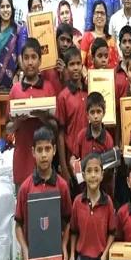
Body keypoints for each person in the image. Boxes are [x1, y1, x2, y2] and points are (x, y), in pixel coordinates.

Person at [14, 126, 72, 260]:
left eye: (48, 149)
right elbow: (18, 225)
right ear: (33, 152)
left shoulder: (62, 186)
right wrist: (25, 251)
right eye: (39, 150)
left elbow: (68, 221)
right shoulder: (25, 188)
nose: (44, 155)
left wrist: (64, 247)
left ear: (54, 150)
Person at [67, 152, 116, 260]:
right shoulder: (77, 202)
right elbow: (73, 231)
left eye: (96, 171)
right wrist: (72, 256)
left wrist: (105, 256)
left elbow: (112, 233)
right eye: (89, 171)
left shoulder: (108, 202)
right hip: (82, 259)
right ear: (83, 175)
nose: (93, 175)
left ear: (102, 175)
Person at [55, 46, 87, 187]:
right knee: (77, 195)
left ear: (82, 65)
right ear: (66, 68)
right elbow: (60, 134)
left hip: (91, 157)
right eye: (71, 64)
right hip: (73, 160)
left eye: (78, 64)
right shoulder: (63, 97)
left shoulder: (90, 91)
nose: (75, 68)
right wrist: (64, 167)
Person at [73, 92, 115, 197]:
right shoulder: (81, 135)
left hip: (103, 191)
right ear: (87, 114)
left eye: (98, 111)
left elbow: (110, 169)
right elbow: (74, 157)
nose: (95, 116)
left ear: (104, 113)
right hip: (84, 189)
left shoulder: (108, 139)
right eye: (92, 112)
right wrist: (74, 166)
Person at [80, 0, 119, 70]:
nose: (99, 16)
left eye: (102, 13)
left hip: (109, 75)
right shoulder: (87, 37)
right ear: (93, 17)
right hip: (91, 76)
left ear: (106, 18)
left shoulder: (111, 40)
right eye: (97, 13)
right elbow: (81, 63)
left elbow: (115, 64)